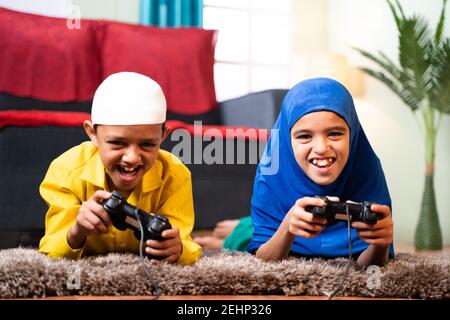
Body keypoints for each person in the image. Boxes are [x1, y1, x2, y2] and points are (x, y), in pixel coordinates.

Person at [195, 78, 394, 267]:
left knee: (249, 229)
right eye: (305, 136)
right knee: (243, 240)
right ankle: (240, 228)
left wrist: (380, 243)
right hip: (283, 222)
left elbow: (372, 266)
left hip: (332, 227)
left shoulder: (368, 170)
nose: (322, 147)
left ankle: (244, 224)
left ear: (353, 133)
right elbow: (262, 258)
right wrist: (287, 227)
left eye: (334, 134)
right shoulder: (270, 173)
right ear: (286, 140)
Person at [39, 72, 201, 265]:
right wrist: (77, 231)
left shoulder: (175, 175)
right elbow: (51, 254)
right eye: (117, 143)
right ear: (93, 134)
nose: (132, 158)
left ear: (163, 137)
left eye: (148, 144)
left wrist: (177, 249)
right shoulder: (65, 171)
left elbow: (183, 243)